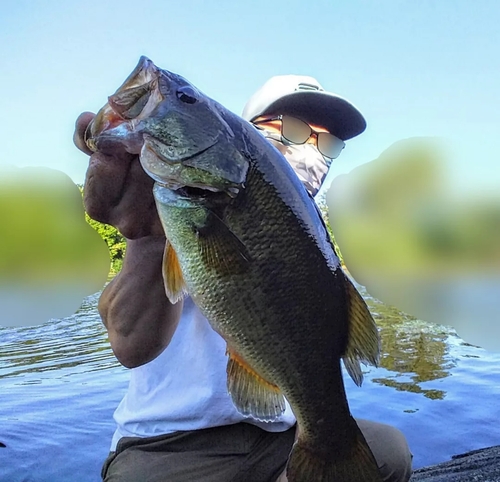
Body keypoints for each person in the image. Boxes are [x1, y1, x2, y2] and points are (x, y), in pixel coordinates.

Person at [74, 74, 413, 482]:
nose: (312, 150)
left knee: (386, 452)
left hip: (280, 437)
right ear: (248, 133)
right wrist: (146, 239)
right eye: (294, 130)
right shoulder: (185, 204)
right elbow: (131, 346)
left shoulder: (308, 233)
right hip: (170, 446)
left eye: (329, 144)